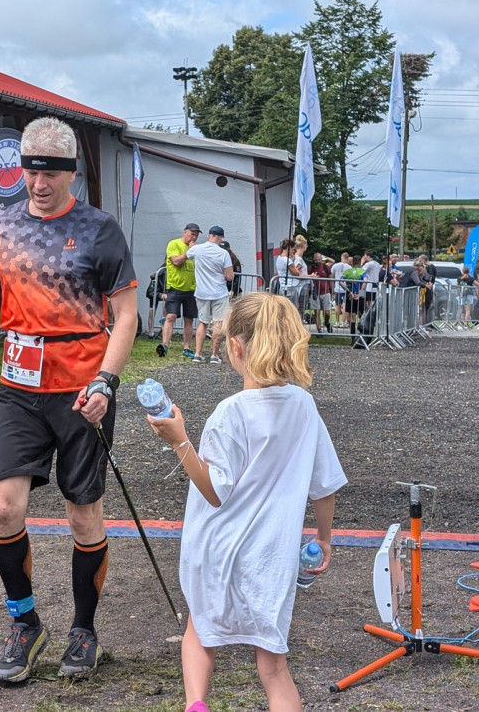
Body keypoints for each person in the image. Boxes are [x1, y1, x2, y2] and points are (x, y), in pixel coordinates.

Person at [0, 117, 137, 683]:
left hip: (84, 388)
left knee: (83, 515)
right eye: (30, 166)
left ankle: (84, 629)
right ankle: (25, 622)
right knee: (4, 508)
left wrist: (106, 382)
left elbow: (127, 316)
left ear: (70, 172)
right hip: (20, 387)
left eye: (50, 169)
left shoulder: (100, 228)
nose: (38, 179)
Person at [144, 292, 347, 712]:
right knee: (273, 665)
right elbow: (324, 485)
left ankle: (196, 705)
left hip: (215, 549)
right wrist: (324, 539)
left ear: (235, 346)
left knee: (201, 631)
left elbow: (214, 490)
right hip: (270, 556)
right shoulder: (304, 407)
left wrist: (179, 440)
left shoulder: (229, 412)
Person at [187, 226, 234, 363]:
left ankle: (198, 353)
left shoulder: (198, 249)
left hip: (202, 292)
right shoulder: (223, 253)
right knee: (218, 323)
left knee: (203, 322)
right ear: (221, 238)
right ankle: (214, 355)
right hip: (219, 292)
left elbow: (187, 255)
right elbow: (230, 276)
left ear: (209, 236)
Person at [159, 223, 201, 359]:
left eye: (196, 235)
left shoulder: (197, 249)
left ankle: (187, 347)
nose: (194, 237)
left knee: (189, 319)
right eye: (192, 234)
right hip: (175, 287)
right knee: (171, 316)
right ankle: (165, 345)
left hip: (191, 289)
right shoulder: (174, 244)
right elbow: (176, 261)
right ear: (185, 232)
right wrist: (188, 252)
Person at [307, 252, 335, 333]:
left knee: (327, 312)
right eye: (316, 260)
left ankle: (327, 322)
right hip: (315, 293)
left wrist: (332, 292)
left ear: (321, 259)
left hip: (325, 292)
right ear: (314, 260)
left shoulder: (326, 268)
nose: (318, 262)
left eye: (319, 260)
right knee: (317, 311)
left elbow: (331, 280)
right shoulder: (311, 268)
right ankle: (319, 330)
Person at [329, 253, 350, 328]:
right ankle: (343, 323)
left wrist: (332, 286)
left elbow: (332, 276)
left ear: (341, 257)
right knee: (344, 306)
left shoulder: (335, 265)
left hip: (337, 287)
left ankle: (337, 322)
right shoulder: (349, 267)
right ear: (347, 259)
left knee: (337, 305)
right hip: (346, 288)